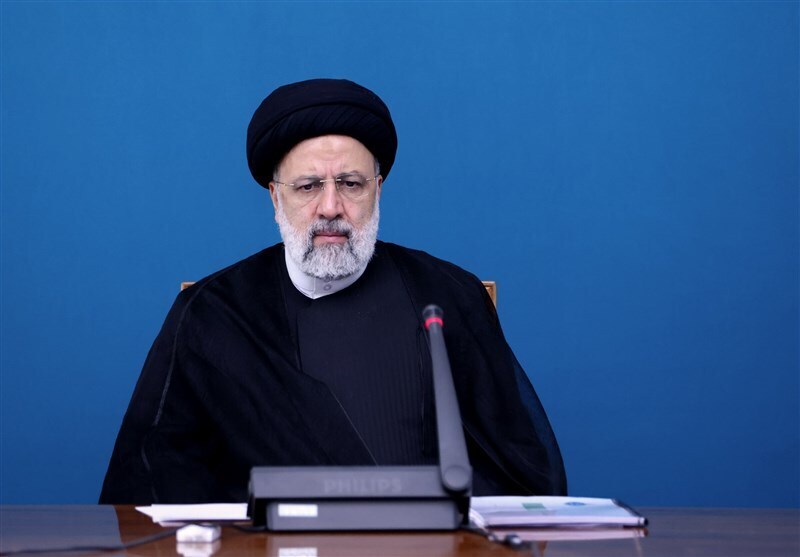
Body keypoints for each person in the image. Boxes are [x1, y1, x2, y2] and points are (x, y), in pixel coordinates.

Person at [99, 78, 567, 504]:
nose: (330, 207)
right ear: (275, 197)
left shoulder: (447, 297)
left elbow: (521, 471)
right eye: (308, 186)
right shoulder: (214, 313)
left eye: (350, 184)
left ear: (377, 190)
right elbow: (155, 477)